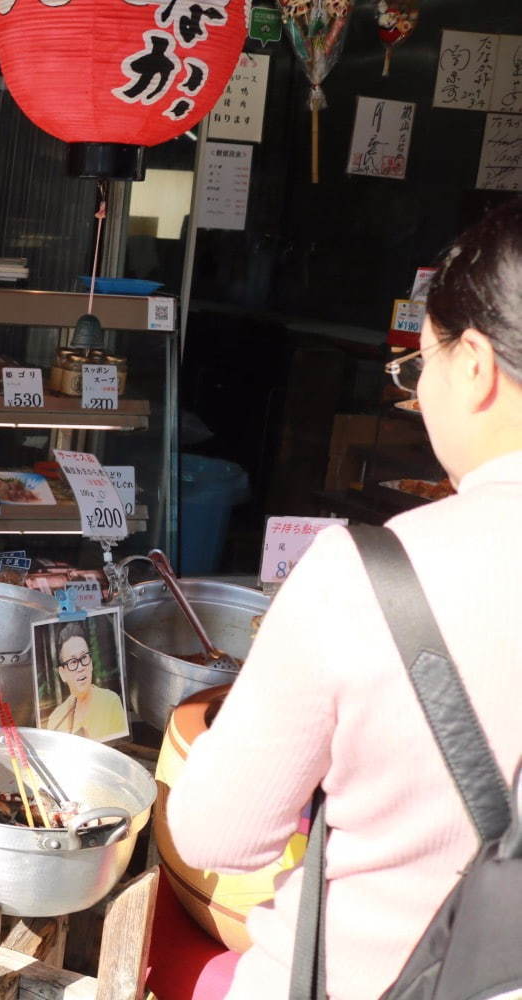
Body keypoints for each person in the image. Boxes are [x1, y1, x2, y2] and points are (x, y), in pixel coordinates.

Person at [167, 199, 522, 999]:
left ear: (475, 365)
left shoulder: (367, 575)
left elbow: (219, 834)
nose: (418, 387)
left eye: (417, 363)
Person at [43, 622, 127, 740]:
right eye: (73, 662)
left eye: (84, 658)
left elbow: (118, 748)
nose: (81, 667)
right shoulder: (56, 718)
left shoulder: (110, 701)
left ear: (91, 663)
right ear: (63, 673)